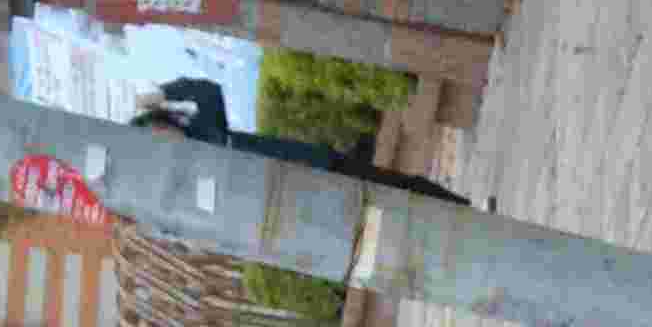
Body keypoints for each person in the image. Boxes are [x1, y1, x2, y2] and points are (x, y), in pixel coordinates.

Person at [129, 78, 481, 206]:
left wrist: (162, 93)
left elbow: (208, 90)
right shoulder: (191, 181)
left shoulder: (206, 130)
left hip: (317, 165)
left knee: (398, 185)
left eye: (158, 133)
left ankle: (464, 209)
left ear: (163, 122)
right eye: (156, 148)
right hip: (304, 203)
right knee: (388, 211)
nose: (166, 142)